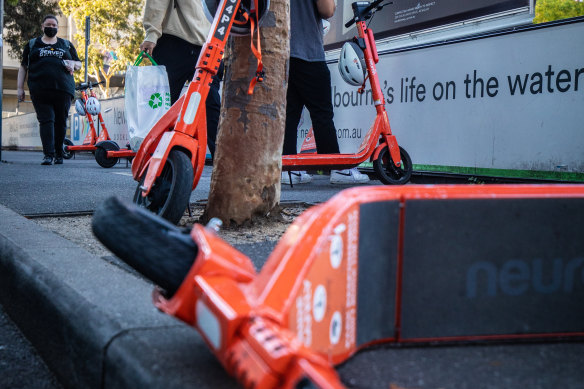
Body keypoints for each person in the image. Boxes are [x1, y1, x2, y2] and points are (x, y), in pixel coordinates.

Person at [282, 0, 370, 185]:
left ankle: (288, 170)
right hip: (307, 50)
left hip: (283, 52)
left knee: (290, 113)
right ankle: (338, 169)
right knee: (322, 112)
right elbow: (327, 10)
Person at [139, 0, 222, 160]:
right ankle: (154, 160)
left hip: (209, 46)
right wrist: (152, 33)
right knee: (163, 106)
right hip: (174, 42)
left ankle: (223, 162)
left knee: (211, 105)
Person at [17, 15, 82, 165]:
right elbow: (23, 67)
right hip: (39, 89)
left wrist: (73, 64)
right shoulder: (33, 44)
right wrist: (20, 88)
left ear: (58, 28)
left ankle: (59, 153)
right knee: (46, 121)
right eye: (48, 25)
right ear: (42, 27)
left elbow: (78, 64)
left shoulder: (66, 44)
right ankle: (48, 155)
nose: (51, 27)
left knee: (60, 123)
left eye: (54, 25)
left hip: (63, 90)